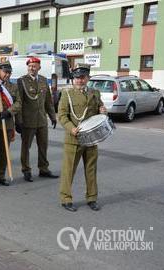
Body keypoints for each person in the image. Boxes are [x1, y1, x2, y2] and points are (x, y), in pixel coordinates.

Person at [58, 65, 107, 212]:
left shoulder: (95, 93)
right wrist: (71, 128)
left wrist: (104, 111)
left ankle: (92, 198)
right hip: (74, 138)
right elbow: (62, 115)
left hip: (91, 139)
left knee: (91, 169)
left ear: (88, 78)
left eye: (82, 77)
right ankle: (66, 199)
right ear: (73, 79)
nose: (79, 80)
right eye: (77, 78)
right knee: (69, 170)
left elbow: (100, 111)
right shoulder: (67, 94)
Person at [16, 56, 58, 182]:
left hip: (41, 120)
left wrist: (52, 116)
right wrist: (18, 121)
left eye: (34, 66)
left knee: (43, 146)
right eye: (29, 66)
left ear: (39, 67)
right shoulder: (22, 81)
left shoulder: (44, 81)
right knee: (26, 147)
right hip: (28, 121)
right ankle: (26, 170)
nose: (31, 68)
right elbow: (19, 102)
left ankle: (43, 169)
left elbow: (48, 101)